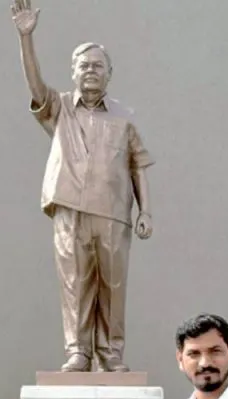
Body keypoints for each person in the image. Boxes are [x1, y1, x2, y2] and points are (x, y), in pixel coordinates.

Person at [11, 0, 155, 372]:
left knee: (113, 287)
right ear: (73, 72)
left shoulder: (125, 117)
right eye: (84, 65)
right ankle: (78, 351)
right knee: (75, 284)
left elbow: (138, 164)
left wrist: (146, 210)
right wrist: (26, 38)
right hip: (69, 207)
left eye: (98, 66)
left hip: (114, 212)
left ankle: (111, 355)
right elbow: (34, 84)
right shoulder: (59, 108)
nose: (91, 71)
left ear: (110, 74)